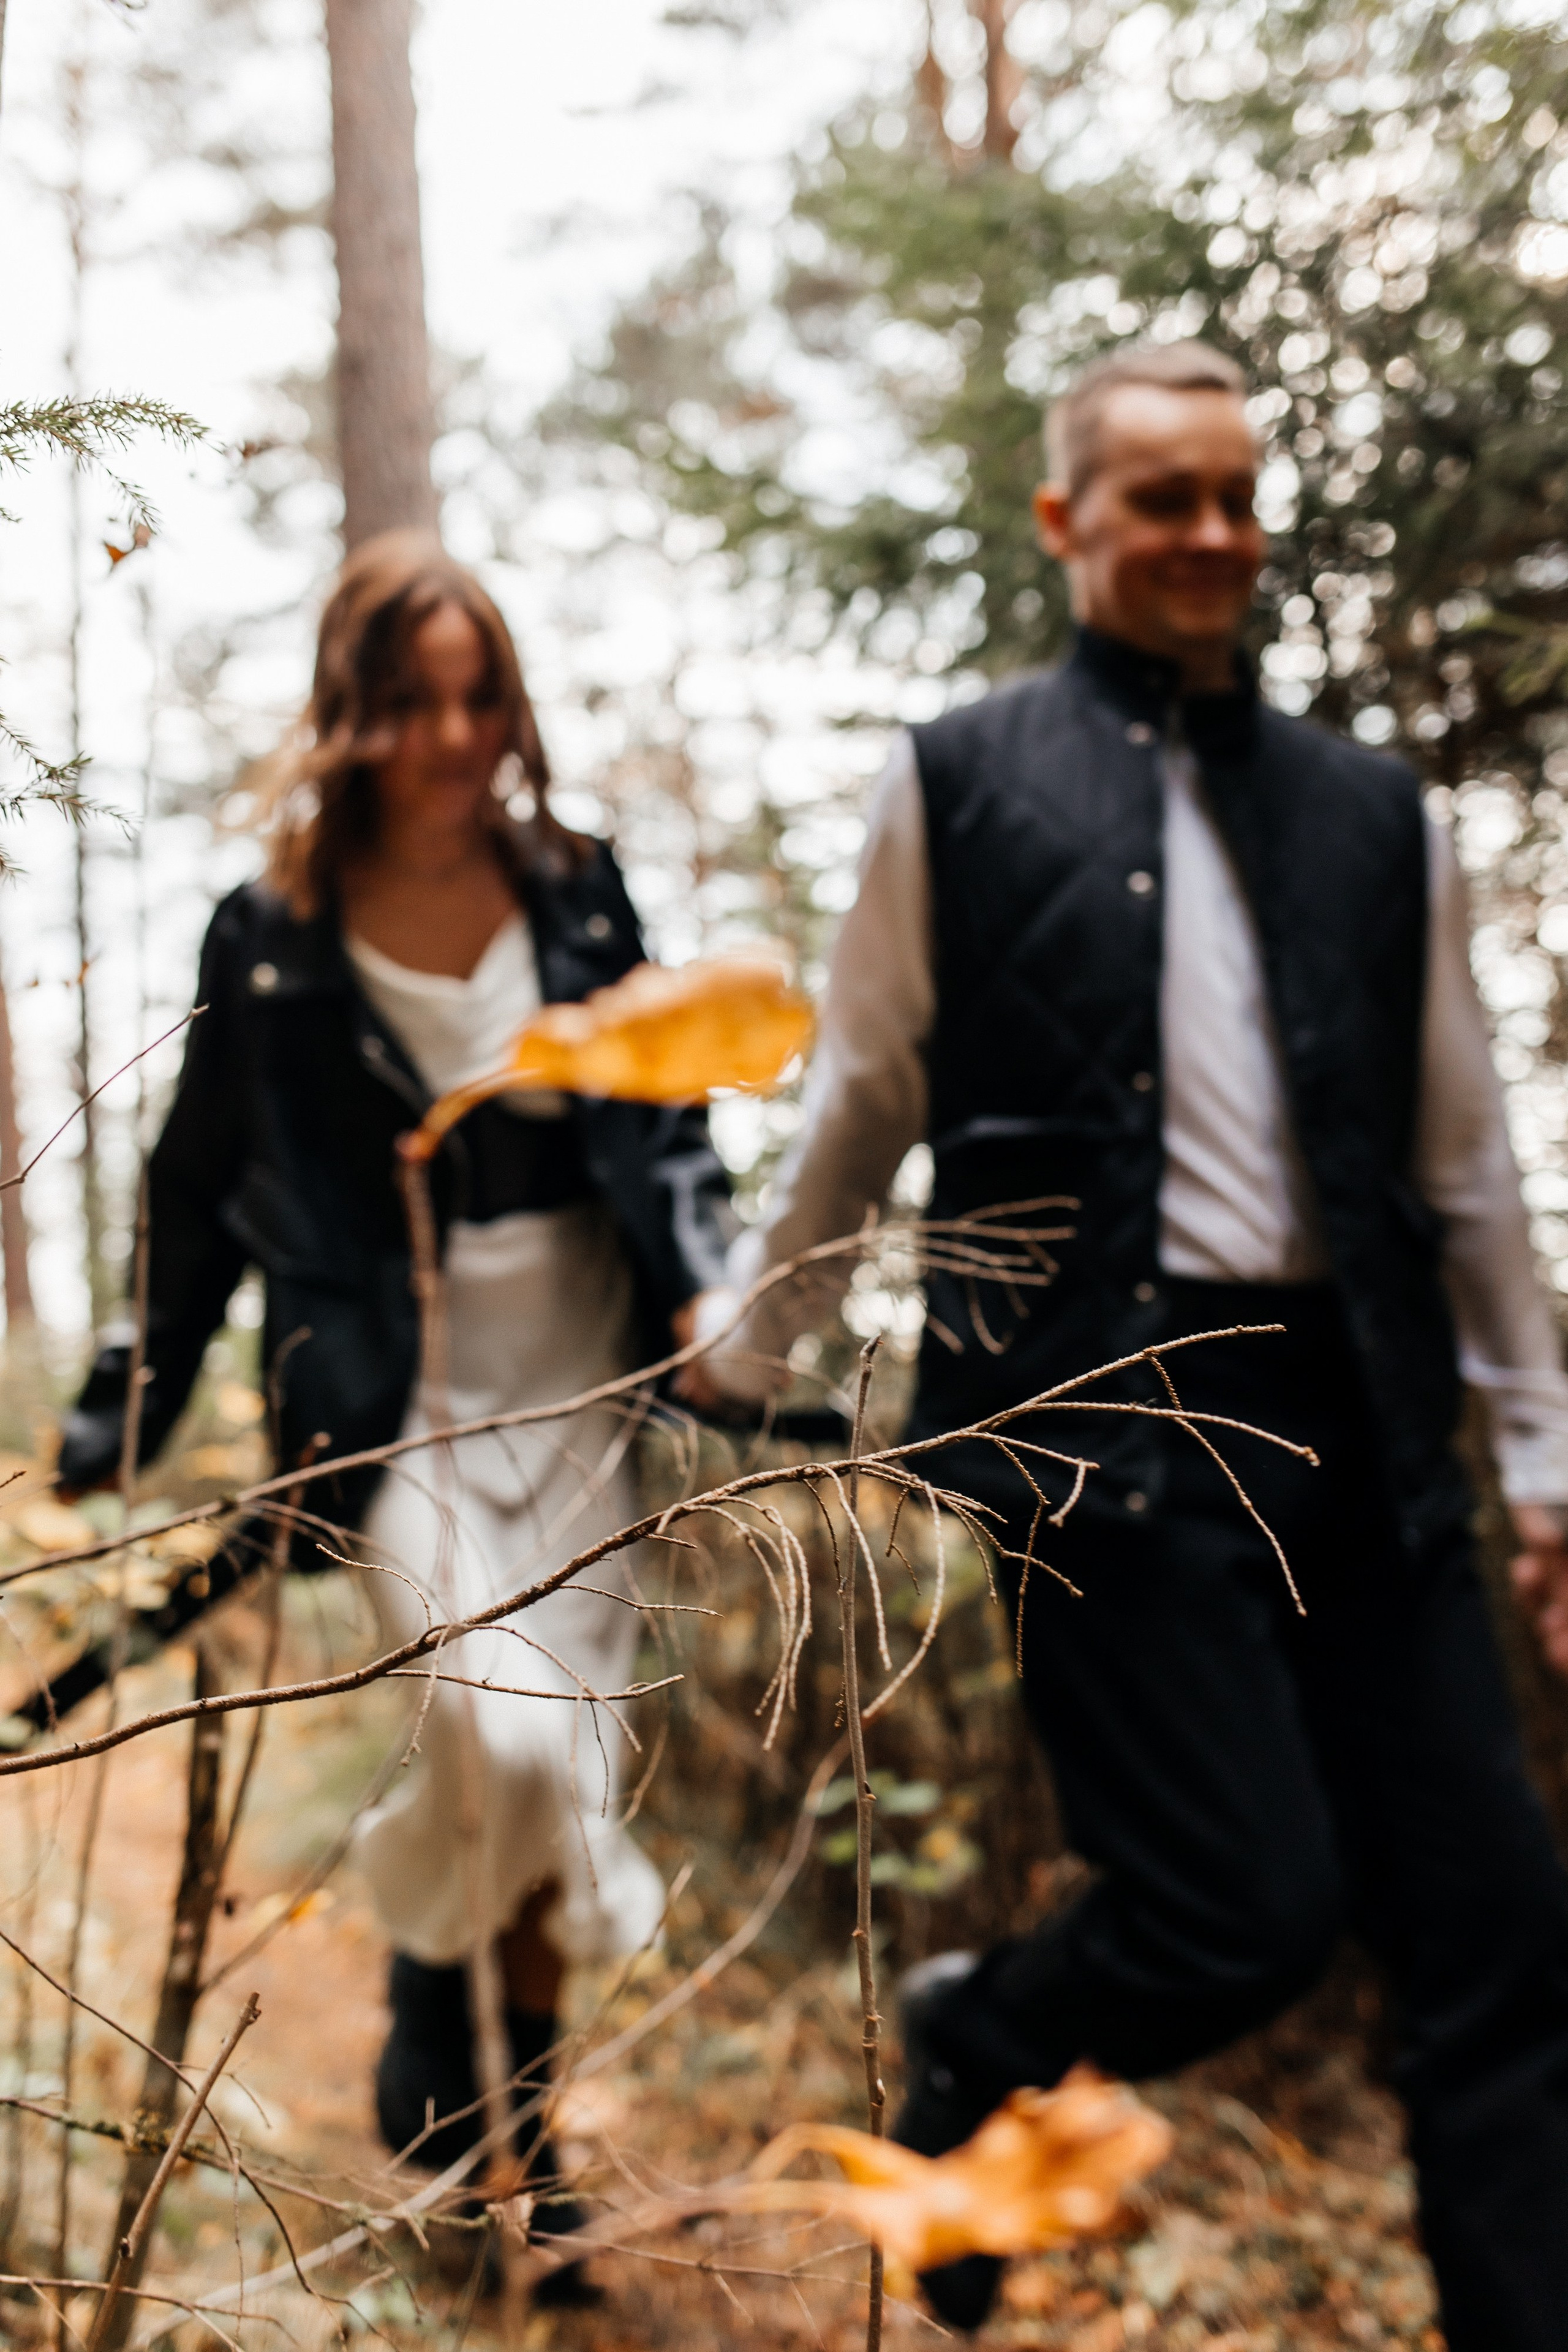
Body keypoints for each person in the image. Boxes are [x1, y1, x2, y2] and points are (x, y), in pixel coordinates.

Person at [685, 342, 1568, 2348]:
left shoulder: (1374, 817)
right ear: (1067, 518)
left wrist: (1543, 1466)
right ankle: (980, 2022)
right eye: (1165, 496)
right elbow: (867, 1095)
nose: (1213, 535)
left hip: (1367, 1419)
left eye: (1238, 497)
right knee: (1241, 1911)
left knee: (1503, 1935)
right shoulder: (963, 778)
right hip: (1106, 1424)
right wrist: (754, 1351)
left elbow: (1466, 1160)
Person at [59, 532, 730, 2295]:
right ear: (350, 714)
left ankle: (523, 2160)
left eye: (478, 695)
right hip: (396, 1398)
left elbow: (662, 1121)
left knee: (557, 1769)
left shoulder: (581, 890)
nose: (453, 734)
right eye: (413, 701)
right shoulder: (271, 931)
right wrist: (126, 1399)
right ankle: (440, 2028)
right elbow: (197, 1187)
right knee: (492, 1735)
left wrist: (707, 1295)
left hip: (581, 1378)